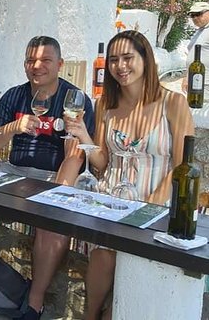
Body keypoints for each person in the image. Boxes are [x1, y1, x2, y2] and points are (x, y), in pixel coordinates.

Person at [65, 30, 194, 320]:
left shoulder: (172, 103)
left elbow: (181, 165)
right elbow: (101, 162)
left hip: (155, 201)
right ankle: (90, 314)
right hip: (112, 199)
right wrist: (84, 134)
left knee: (132, 268)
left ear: (145, 59)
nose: (120, 66)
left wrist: (150, 209)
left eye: (127, 57)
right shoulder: (105, 105)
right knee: (104, 253)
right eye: (113, 60)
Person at [0, 35, 95, 320]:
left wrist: (58, 194)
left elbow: (77, 154)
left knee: (53, 225)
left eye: (45, 60)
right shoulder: (15, 95)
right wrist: (13, 126)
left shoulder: (74, 99)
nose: (36, 66)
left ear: (60, 64)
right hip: (13, 173)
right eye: (30, 60)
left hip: (52, 176)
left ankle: (34, 303)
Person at [184, 1, 209, 96]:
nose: (195, 18)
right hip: (195, 82)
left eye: (198, 14)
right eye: (192, 15)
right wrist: (187, 77)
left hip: (206, 84)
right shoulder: (200, 30)